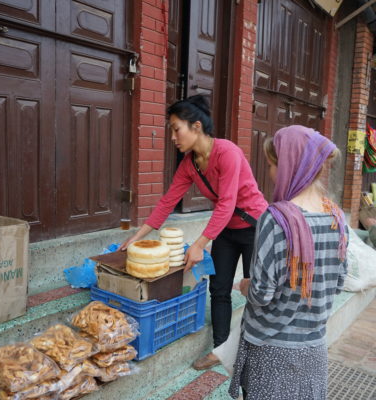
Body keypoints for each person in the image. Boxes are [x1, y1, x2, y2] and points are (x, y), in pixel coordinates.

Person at [120, 95, 268, 369]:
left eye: (177, 129)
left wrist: (199, 244)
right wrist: (137, 237)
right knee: (219, 289)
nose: (173, 137)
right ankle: (221, 350)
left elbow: (227, 202)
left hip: (254, 227)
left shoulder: (228, 153)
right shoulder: (189, 165)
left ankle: (256, 352)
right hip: (226, 229)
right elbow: (167, 202)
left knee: (255, 293)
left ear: (196, 126)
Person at [228, 125, 348, 400]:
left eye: (272, 165)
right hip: (314, 349)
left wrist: (247, 286)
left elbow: (262, 295)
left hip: (271, 351)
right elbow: (339, 282)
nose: (270, 174)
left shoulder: (276, 219)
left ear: (290, 167)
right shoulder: (337, 218)